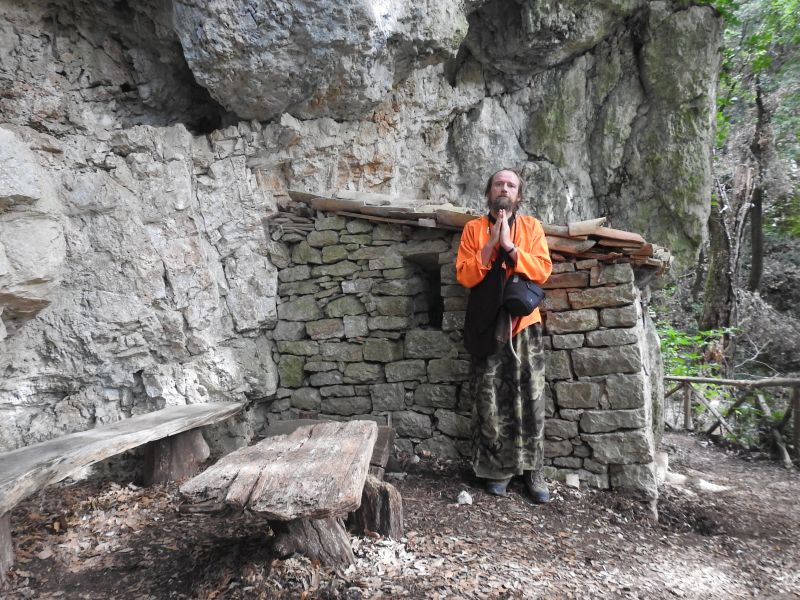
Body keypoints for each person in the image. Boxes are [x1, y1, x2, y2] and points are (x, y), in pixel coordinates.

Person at [456, 168, 553, 502]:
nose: (504, 189)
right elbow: (465, 276)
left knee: (532, 397)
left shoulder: (531, 228)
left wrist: (511, 248)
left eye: (511, 185)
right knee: (490, 398)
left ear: (519, 195)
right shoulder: (473, 229)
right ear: (489, 192)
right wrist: (490, 247)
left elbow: (542, 269)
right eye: (499, 183)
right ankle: (496, 469)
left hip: (524, 325)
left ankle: (532, 472)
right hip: (486, 324)